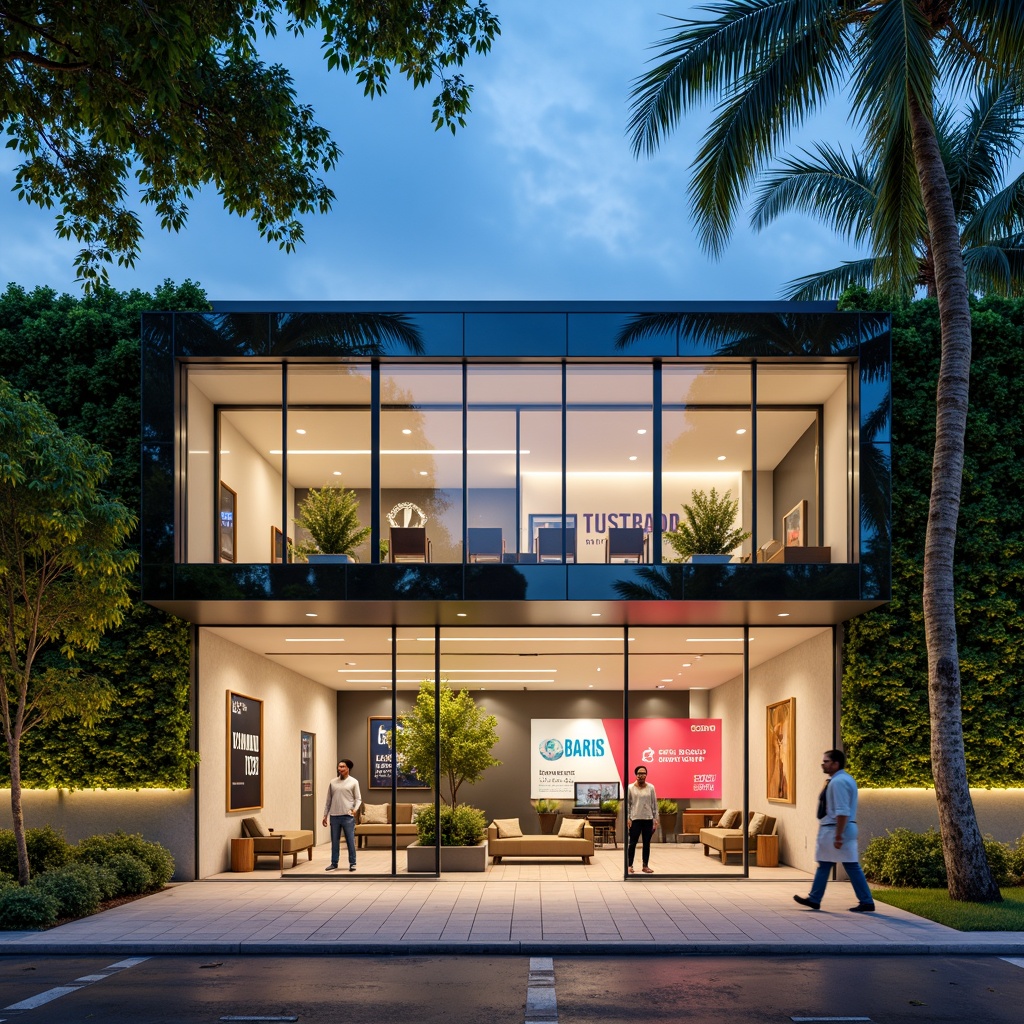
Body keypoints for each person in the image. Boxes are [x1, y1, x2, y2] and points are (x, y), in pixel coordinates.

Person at [794, 749, 875, 912]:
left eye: (826, 761)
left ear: (835, 763)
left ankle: (866, 901)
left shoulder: (838, 782)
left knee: (848, 865)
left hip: (836, 829)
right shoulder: (844, 779)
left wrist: (838, 836)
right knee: (829, 864)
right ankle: (816, 898)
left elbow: (842, 810)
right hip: (837, 829)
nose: (823, 764)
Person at [322, 758, 361, 871]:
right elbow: (328, 800)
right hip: (334, 816)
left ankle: (352, 863)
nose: (340, 769)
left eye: (343, 767)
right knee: (335, 841)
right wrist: (325, 815)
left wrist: (355, 809)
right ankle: (334, 863)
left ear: (348, 768)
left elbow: (358, 799)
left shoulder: (354, 782)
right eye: (339, 766)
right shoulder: (333, 782)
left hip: (347, 816)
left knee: (350, 841)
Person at [626, 764, 658, 874]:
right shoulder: (630, 788)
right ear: (636, 775)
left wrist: (655, 819)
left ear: (646, 775)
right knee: (632, 843)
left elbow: (654, 804)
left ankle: (645, 866)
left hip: (648, 819)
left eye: (643, 773)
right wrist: (628, 818)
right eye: (639, 773)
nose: (641, 775)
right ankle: (629, 865)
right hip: (635, 819)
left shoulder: (651, 788)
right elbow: (628, 804)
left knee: (646, 843)